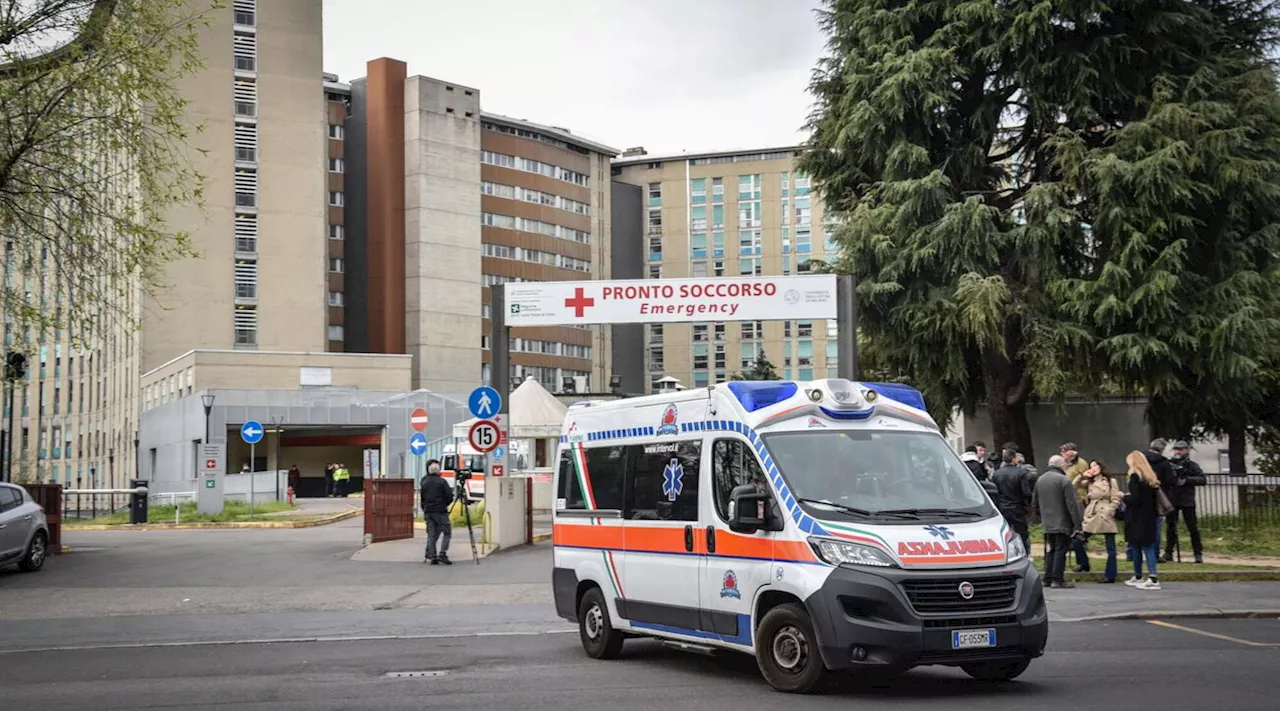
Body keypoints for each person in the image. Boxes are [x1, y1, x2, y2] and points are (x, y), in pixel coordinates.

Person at [1033, 455, 1084, 589]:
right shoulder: (1064, 480)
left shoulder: (1040, 480)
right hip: (1062, 522)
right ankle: (1057, 579)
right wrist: (1077, 524)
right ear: (1061, 465)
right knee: (1061, 550)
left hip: (1047, 522)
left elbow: (1035, 503)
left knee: (1052, 549)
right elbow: (1071, 505)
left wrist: (1041, 517)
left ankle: (1047, 578)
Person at [1124, 450, 1163, 590]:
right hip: (1149, 516)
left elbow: (1134, 498)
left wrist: (1123, 496)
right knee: (1148, 546)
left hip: (1136, 516)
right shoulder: (1150, 477)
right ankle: (1151, 575)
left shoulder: (1135, 477)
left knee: (1136, 546)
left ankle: (1142, 576)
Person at [1079, 459, 1123, 583]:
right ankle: (1084, 564)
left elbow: (1115, 498)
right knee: (1079, 539)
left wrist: (1110, 509)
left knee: (1111, 547)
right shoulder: (1089, 482)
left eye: (1095, 465)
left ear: (1101, 466)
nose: (1093, 467)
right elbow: (1074, 485)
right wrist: (1083, 475)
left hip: (1105, 512)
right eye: (1091, 466)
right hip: (1092, 512)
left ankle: (1110, 575)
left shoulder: (1110, 481)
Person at [1165, 440, 1207, 563]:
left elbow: (1202, 480)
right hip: (1172, 499)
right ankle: (1168, 552)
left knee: (1192, 527)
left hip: (1187, 500)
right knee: (1171, 527)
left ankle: (1197, 553)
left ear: (1186, 450)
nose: (1178, 451)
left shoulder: (1192, 465)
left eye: (1181, 449)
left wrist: (1187, 480)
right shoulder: (1169, 464)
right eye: (1176, 449)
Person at [991, 448, 1034, 553]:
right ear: (1014, 459)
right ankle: (1025, 553)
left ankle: (1006, 552)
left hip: (1002, 507)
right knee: (1022, 533)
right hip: (1017, 507)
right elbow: (1026, 492)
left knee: (1004, 533)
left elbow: (994, 491)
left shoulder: (997, 474)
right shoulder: (1021, 473)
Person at [420, 459, 454, 565]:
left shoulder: (424, 482)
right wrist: (444, 504)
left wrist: (425, 508)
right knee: (447, 532)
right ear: (438, 470)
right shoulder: (442, 482)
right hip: (440, 511)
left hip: (428, 511)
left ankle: (432, 556)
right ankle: (442, 554)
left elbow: (422, 498)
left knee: (431, 534)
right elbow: (449, 496)